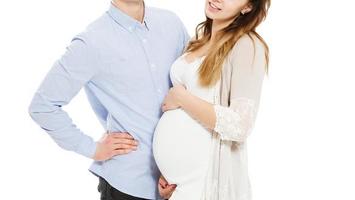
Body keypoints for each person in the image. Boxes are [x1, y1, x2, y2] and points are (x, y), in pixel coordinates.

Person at [28, 0, 189, 199]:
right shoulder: (91, 42)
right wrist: (92, 149)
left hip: (179, 179)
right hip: (128, 186)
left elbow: (193, 86)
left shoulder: (172, 23)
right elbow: (43, 106)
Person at [152, 0, 271, 199]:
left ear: (247, 7)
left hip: (204, 182)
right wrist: (168, 171)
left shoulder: (247, 45)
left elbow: (241, 125)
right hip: (178, 185)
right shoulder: (199, 39)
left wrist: (182, 98)